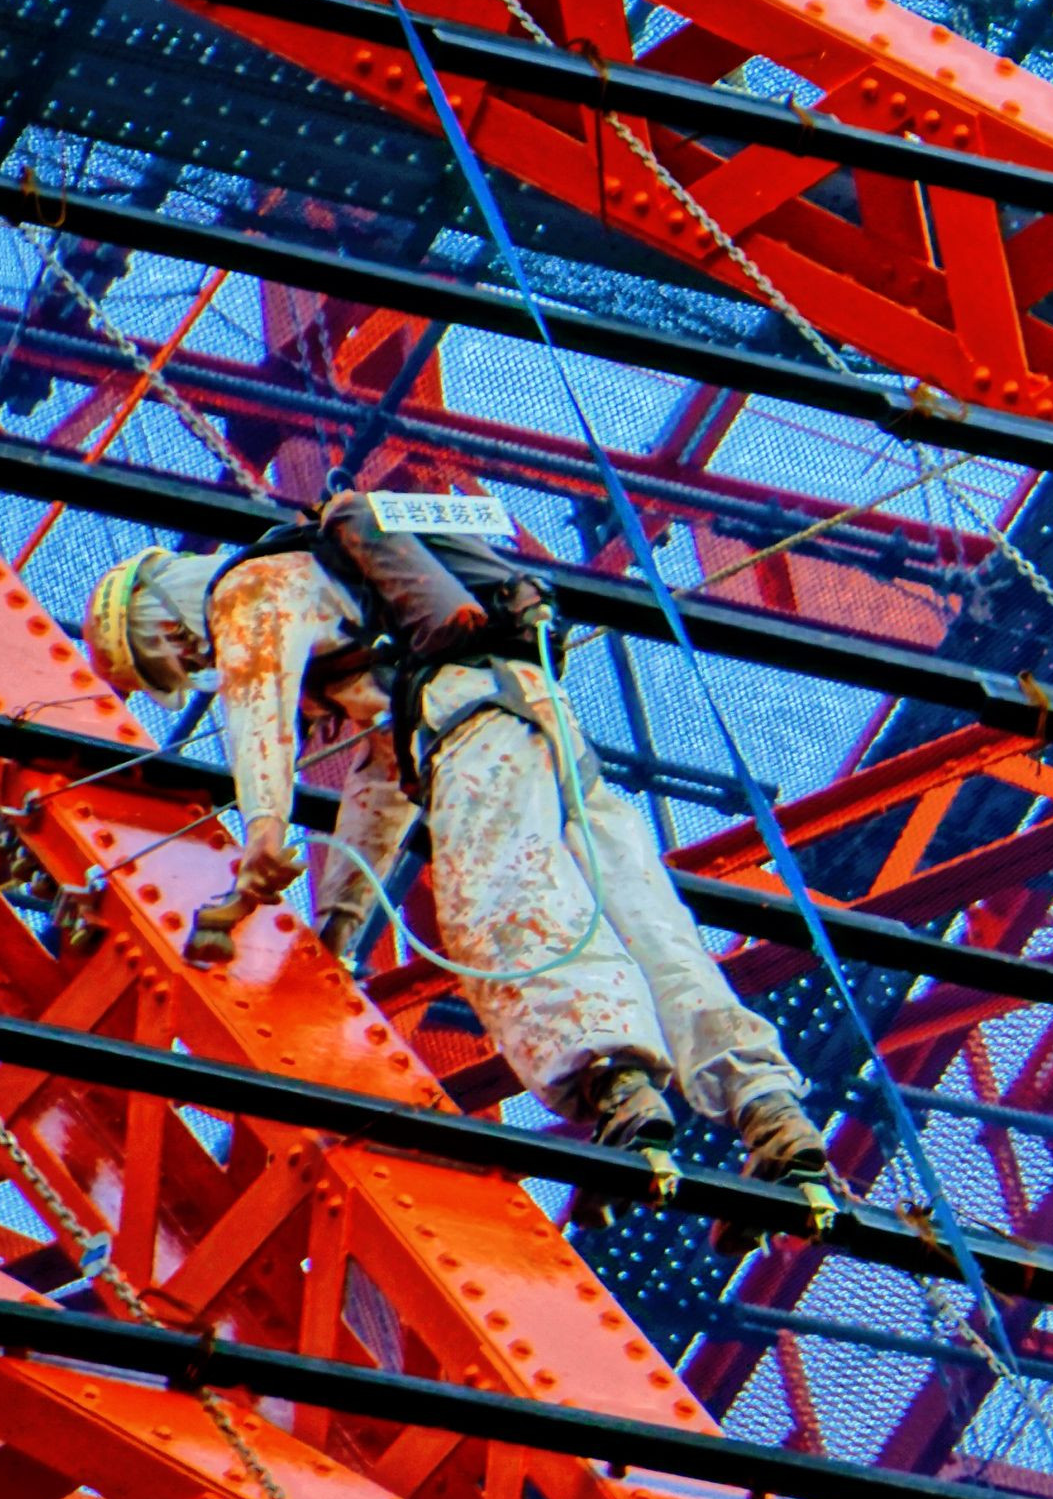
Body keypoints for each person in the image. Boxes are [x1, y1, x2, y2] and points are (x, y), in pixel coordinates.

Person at [83, 500, 835, 1195]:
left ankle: (613, 1079)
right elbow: (384, 775)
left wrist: (265, 832)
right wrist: (342, 919)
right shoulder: (352, 606)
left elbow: (258, 715)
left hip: (471, 731)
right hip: (538, 711)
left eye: (175, 664)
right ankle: (768, 1105)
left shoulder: (245, 590)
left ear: (166, 630)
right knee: (647, 919)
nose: (197, 668)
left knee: (501, 911)